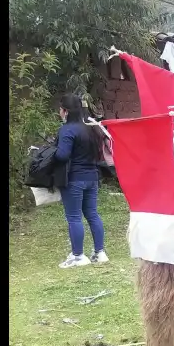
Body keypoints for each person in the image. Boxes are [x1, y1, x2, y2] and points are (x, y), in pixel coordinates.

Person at [54, 94, 108, 268]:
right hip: (92, 177)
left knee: (74, 217)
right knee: (92, 214)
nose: (59, 112)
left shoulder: (67, 130)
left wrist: (48, 153)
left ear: (66, 111)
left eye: (61, 109)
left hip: (74, 179)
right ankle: (99, 253)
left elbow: (62, 155)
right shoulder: (92, 129)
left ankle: (78, 256)